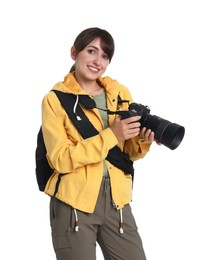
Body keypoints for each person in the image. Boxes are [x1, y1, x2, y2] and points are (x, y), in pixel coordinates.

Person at [41, 27, 158, 260]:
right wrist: (112, 134)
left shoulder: (120, 93)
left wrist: (142, 142)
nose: (98, 61)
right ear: (74, 53)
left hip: (117, 202)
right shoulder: (55, 100)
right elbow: (60, 159)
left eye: (105, 56)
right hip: (73, 202)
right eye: (91, 51)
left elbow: (126, 155)